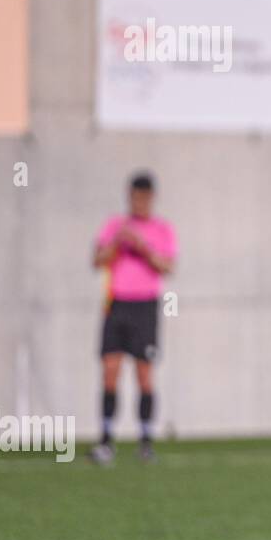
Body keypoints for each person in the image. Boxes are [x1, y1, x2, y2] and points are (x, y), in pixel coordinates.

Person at [90, 171, 177, 464]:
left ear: (151, 198)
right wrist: (118, 242)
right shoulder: (115, 225)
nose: (139, 202)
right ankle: (106, 439)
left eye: (144, 197)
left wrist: (141, 246)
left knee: (144, 373)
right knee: (110, 370)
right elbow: (98, 261)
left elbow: (167, 266)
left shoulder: (161, 229)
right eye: (135, 197)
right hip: (116, 305)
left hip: (145, 307)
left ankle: (145, 439)